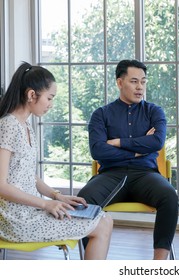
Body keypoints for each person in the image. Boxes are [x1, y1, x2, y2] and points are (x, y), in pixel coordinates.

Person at [0, 62, 113, 260]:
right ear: (31, 95)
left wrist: (55, 196)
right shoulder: (8, 126)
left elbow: (27, 174)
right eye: (49, 98)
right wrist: (45, 205)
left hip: (31, 210)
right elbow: (1, 186)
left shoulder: (25, 126)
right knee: (103, 223)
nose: (51, 104)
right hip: (17, 219)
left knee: (102, 217)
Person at [78, 59, 179, 260]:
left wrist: (117, 142)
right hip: (111, 175)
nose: (140, 87)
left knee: (170, 197)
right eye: (134, 81)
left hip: (146, 175)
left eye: (143, 81)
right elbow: (98, 151)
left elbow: (156, 142)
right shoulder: (101, 114)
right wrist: (136, 150)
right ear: (119, 82)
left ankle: (158, 264)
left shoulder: (154, 111)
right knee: (84, 202)